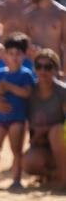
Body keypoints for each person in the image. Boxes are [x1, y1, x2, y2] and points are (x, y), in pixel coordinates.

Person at [0, 33, 37, 189]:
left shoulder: (26, 74)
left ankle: (16, 180)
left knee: (16, 150)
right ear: (5, 55)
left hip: (18, 117)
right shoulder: (0, 73)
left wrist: (8, 87)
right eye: (11, 53)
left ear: (24, 55)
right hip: (0, 117)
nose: (14, 57)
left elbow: (27, 93)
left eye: (18, 54)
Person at [22, 49, 66, 189]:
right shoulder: (29, 91)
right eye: (39, 66)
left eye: (48, 67)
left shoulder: (62, 91)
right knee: (28, 162)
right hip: (41, 144)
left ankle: (62, 178)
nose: (43, 71)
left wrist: (45, 129)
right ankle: (54, 175)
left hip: (61, 143)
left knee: (57, 131)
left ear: (56, 70)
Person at [24, 0, 66, 81]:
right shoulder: (28, 15)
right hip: (35, 72)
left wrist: (64, 73)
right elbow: (24, 47)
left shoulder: (61, 13)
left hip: (55, 72)